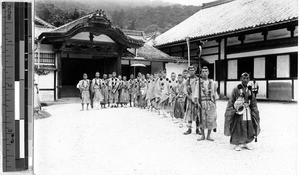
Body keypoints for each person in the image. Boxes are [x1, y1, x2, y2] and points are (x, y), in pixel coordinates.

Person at [224, 72, 260, 151]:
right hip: (239, 111)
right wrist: (233, 110)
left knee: (248, 125)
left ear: (249, 79)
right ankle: (237, 143)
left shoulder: (250, 90)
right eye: (243, 78)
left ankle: (246, 142)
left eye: (247, 78)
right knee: (238, 126)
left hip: (247, 111)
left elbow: (253, 102)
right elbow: (231, 101)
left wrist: (255, 111)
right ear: (241, 79)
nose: (245, 80)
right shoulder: (236, 89)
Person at [196, 66, 218, 141]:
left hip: (210, 103)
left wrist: (215, 105)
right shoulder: (198, 83)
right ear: (201, 73)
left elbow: (215, 95)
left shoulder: (213, 83)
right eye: (203, 71)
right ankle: (202, 135)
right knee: (201, 119)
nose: (204, 73)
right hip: (202, 102)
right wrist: (197, 103)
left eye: (206, 71)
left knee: (210, 119)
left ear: (208, 72)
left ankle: (208, 136)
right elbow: (196, 94)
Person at [183, 66, 200, 135]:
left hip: (197, 99)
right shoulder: (187, 81)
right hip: (190, 99)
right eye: (190, 70)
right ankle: (189, 129)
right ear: (188, 71)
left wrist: (196, 98)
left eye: (193, 70)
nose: (192, 71)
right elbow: (185, 90)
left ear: (195, 71)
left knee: (197, 114)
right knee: (189, 114)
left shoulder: (198, 80)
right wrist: (189, 96)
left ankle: (197, 129)